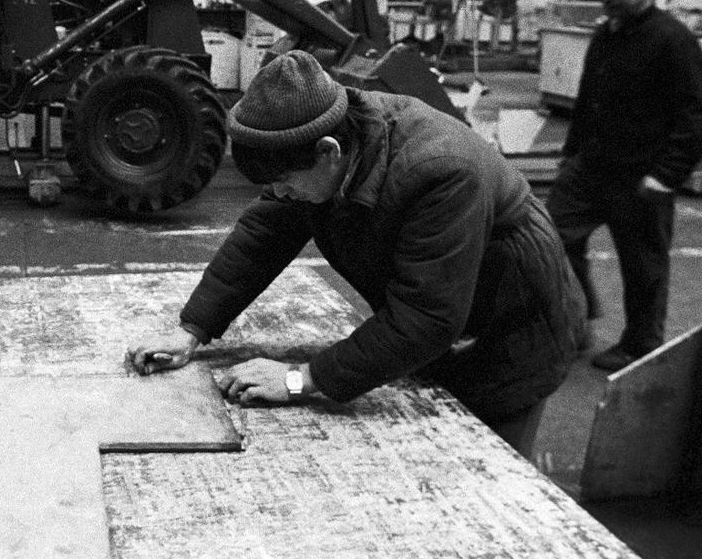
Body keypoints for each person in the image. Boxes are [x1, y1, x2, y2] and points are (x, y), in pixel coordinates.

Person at [127, 50, 586, 458]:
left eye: (286, 182)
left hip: (515, 324)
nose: (280, 194)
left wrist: (299, 379)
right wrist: (192, 329)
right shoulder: (327, 140)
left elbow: (427, 318)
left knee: (486, 466)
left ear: (328, 152)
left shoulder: (440, 171)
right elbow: (262, 235)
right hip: (446, 318)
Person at [546, 0, 702, 372]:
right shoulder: (607, 34)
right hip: (591, 167)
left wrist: (667, 175)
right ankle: (576, 319)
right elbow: (588, 99)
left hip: (642, 176)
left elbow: (699, 113)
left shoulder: (673, 40)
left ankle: (640, 345)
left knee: (643, 266)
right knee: (551, 239)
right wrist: (571, 153)